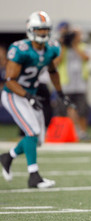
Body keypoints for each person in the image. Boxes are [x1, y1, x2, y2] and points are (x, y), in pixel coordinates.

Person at [0, 11, 71, 188]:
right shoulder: (20, 49)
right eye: (39, 30)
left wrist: (61, 93)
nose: (42, 33)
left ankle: (8, 156)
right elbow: (10, 81)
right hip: (14, 94)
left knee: (38, 139)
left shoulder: (52, 48)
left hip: (31, 94)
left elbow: (53, 71)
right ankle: (34, 175)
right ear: (31, 30)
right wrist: (28, 96)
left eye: (45, 30)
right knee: (31, 132)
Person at [55, 26, 90, 140]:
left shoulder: (82, 46)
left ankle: (83, 133)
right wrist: (65, 44)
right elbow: (57, 61)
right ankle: (69, 132)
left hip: (80, 84)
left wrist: (75, 45)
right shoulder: (62, 48)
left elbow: (86, 58)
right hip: (66, 84)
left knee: (82, 110)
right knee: (66, 109)